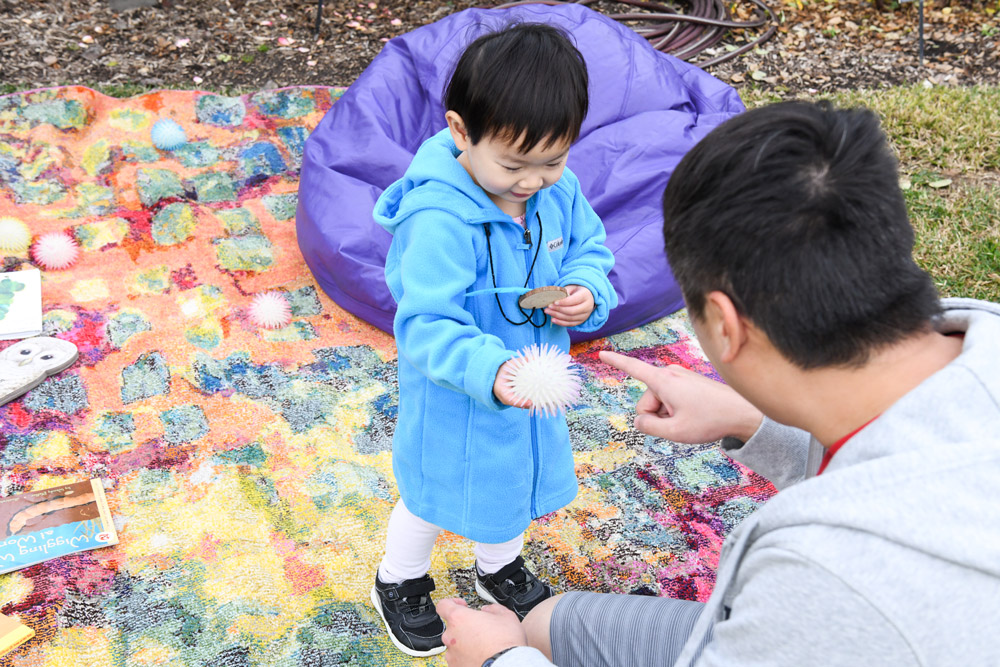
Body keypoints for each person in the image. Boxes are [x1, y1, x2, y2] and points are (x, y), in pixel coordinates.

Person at [434, 99, 1000, 666]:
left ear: (725, 327)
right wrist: (751, 419)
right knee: (551, 623)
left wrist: (497, 661)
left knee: (521, 642)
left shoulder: (819, 575)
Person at [369, 23, 618, 657]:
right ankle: (398, 579)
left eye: (553, 161)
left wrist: (586, 290)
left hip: (532, 388)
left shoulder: (559, 190)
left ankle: (497, 569)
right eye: (513, 165)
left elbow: (590, 250)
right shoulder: (438, 220)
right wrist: (489, 370)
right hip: (460, 394)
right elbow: (426, 323)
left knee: (513, 487)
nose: (534, 181)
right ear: (460, 131)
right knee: (431, 494)